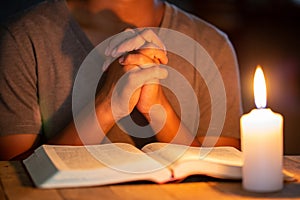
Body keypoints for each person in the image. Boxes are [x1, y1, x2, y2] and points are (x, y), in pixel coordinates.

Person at [0, 0, 243, 160]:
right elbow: (13, 180)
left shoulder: (211, 45)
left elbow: (219, 179)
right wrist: (107, 105)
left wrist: (157, 110)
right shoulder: (23, 39)